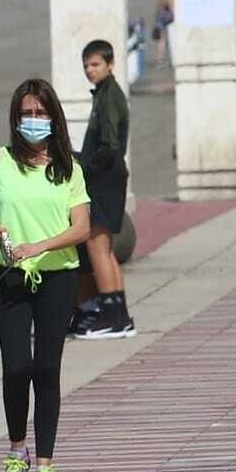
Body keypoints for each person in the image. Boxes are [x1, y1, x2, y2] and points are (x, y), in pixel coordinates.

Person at [0, 79, 91, 472]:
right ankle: (17, 451)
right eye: (26, 114)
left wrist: (41, 244)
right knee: (16, 366)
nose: (33, 121)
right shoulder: (0, 161)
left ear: (53, 117)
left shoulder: (69, 167)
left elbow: (82, 227)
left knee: (47, 369)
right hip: (10, 276)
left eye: (40, 113)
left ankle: (47, 468)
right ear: (15, 119)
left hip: (58, 276)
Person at [71, 39, 136, 340]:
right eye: (86, 65)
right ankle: (118, 315)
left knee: (98, 248)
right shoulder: (104, 95)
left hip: (104, 178)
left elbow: (110, 145)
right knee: (104, 249)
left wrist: (86, 169)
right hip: (109, 177)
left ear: (110, 65)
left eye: (95, 64)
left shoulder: (110, 97)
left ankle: (112, 316)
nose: (90, 70)